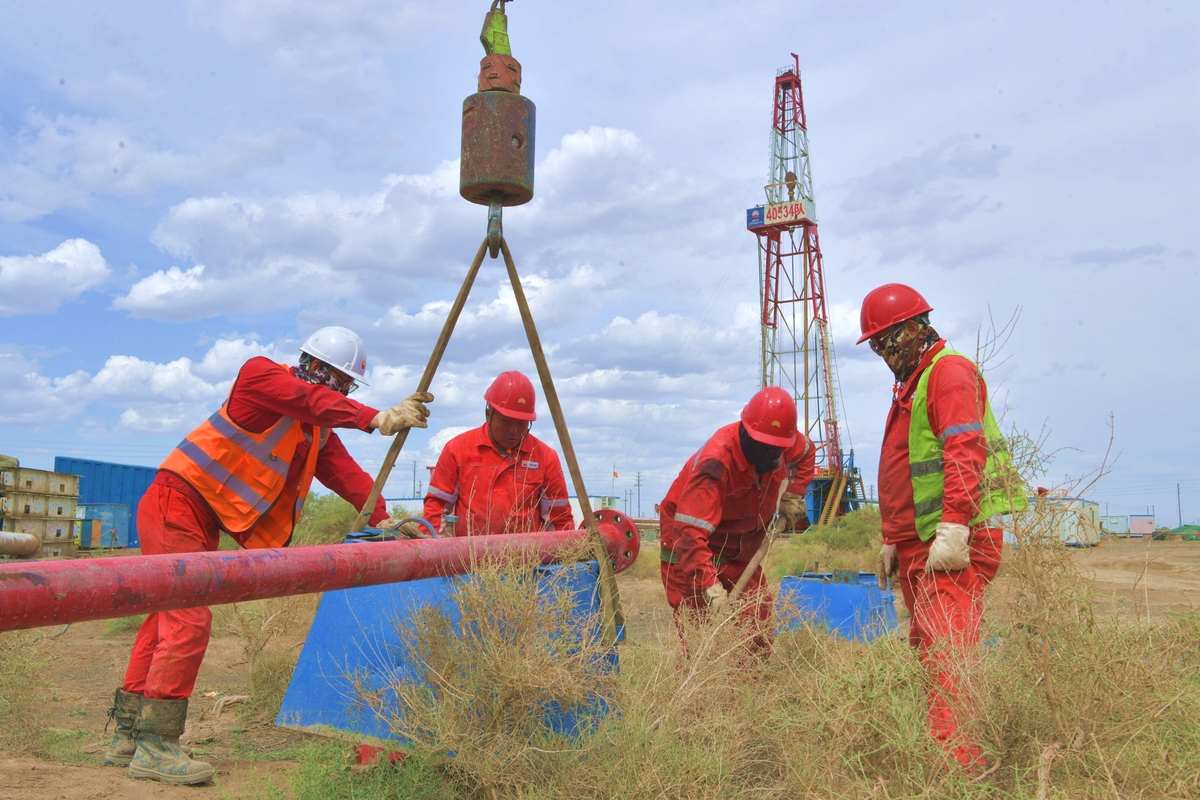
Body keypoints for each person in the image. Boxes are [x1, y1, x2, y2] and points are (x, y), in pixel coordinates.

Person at [104, 326, 433, 785]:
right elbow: (312, 401)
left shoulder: (313, 433)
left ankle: (127, 737)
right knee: (187, 618)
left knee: (163, 618)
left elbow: (349, 476)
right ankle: (155, 746)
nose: (339, 390)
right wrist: (375, 416)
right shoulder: (259, 376)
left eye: (347, 386)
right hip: (173, 502)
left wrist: (383, 518)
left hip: (196, 515)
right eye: (337, 380)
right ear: (314, 367)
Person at [859, 283, 1025, 770]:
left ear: (914, 329)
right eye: (875, 346)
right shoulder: (913, 382)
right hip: (920, 542)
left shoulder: (947, 372)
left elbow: (963, 449)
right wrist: (894, 537)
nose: (884, 354)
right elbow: (907, 466)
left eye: (888, 341)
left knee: (946, 659)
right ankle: (940, 754)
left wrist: (954, 527)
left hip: (948, 540)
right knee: (929, 653)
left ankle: (958, 770)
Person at [658, 387, 815, 654]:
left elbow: (806, 453)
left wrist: (793, 495)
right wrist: (711, 587)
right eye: (765, 448)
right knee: (703, 646)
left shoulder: (780, 441)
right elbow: (689, 535)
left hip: (741, 555)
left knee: (756, 636)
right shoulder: (715, 465)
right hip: (691, 556)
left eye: (778, 450)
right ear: (748, 433)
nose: (773, 455)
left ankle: (751, 693)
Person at [422, 371, 574, 536]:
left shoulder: (545, 458)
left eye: (521, 424)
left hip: (526, 559)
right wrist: (429, 551)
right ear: (489, 414)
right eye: (505, 422)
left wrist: (567, 555)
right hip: (470, 558)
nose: (513, 431)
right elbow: (437, 508)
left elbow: (559, 520)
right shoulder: (458, 450)